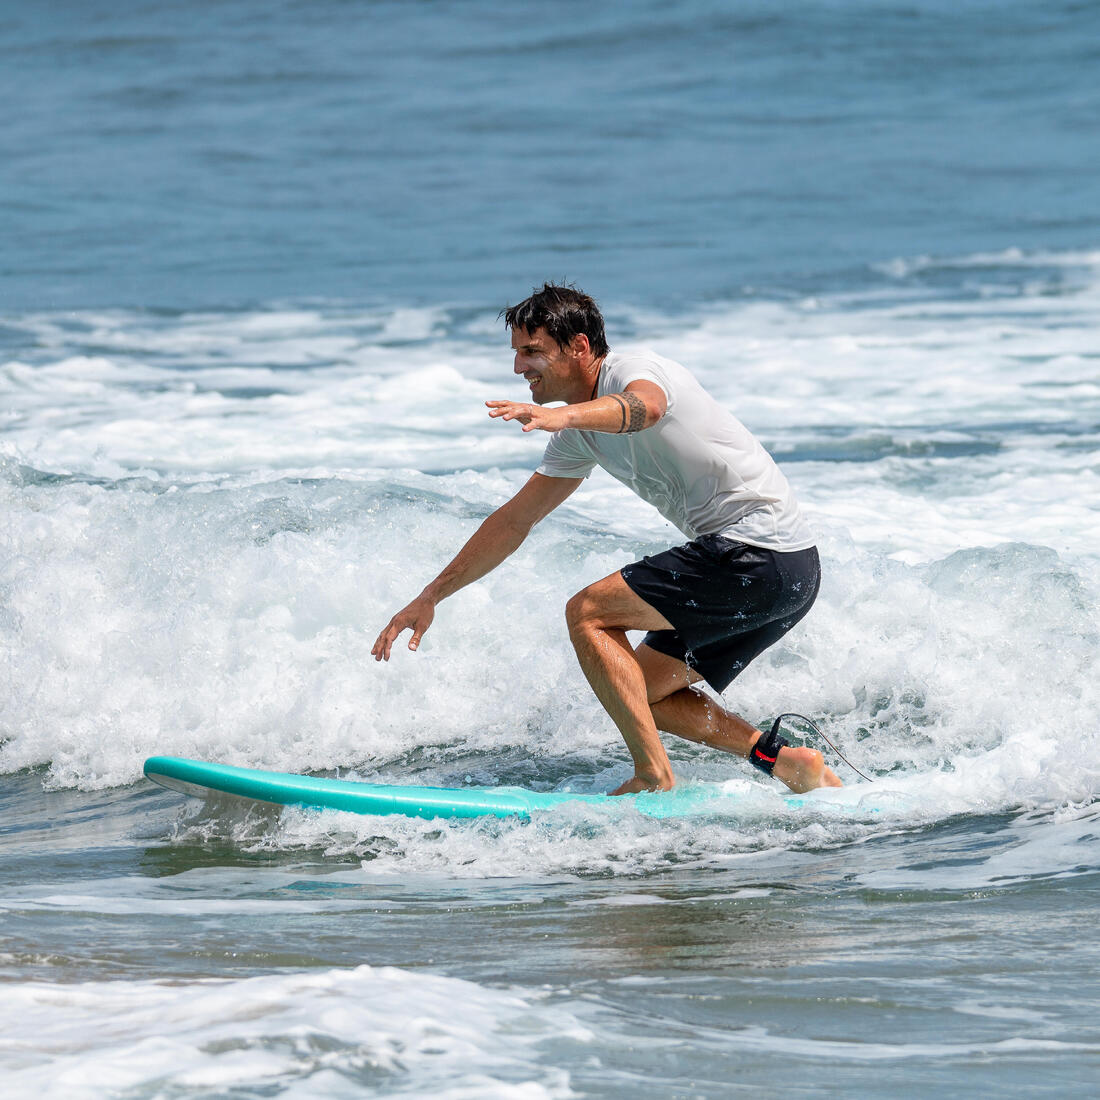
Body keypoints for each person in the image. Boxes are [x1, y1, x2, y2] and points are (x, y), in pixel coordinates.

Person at [372, 284, 840, 795]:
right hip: (788, 572)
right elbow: (515, 520)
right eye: (516, 354)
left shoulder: (633, 371)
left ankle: (653, 776)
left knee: (588, 612)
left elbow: (647, 408)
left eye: (532, 352)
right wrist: (431, 595)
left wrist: (563, 415)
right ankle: (787, 764)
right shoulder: (578, 433)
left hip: (759, 552)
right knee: (639, 692)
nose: (518, 368)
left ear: (578, 346)